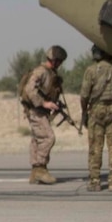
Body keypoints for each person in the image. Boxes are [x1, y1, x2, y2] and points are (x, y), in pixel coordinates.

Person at [79, 46, 112, 191]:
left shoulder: (91, 71)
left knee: (95, 147)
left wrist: (84, 111)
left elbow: (84, 95)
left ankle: (95, 181)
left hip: (96, 111)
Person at [19, 45, 68, 184]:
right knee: (48, 137)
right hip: (35, 111)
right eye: (59, 61)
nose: (60, 64)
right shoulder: (41, 71)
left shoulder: (50, 73)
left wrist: (52, 104)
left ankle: (35, 172)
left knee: (37, 139)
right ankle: (40, 169)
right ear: (53, 59)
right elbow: (29, 89)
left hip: (39, 111)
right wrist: (44, 103)